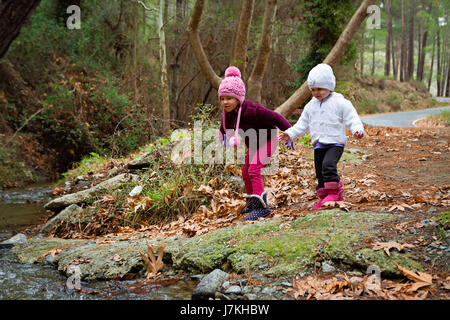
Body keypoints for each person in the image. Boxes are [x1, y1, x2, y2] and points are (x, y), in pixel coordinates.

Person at [279, 63, 365, 209]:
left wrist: (357, 129)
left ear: (329, 86)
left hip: (335, 143)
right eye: (313, 90)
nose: (316, 93)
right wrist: (290, 134)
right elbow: (302, 124)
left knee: (328, 165)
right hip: (318, 143)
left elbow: (352, 117)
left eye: (320, 89)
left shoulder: (340, 102)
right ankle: (324, 196)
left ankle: (334, 192)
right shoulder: (310, 106)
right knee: (319, 171)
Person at [219, 66, 293, 221]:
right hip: (253, 144)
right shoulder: (228, 114)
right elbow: (224, 127)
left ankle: (262, 208)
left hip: (268, 139)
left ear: (238, 98)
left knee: (254, 170)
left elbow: (275, 117)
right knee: (245, 172)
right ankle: (253, 201)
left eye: (229, 98)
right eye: (223, 98)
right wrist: (224, 137)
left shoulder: (253, 109)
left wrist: (290, 133)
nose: (225, 102)